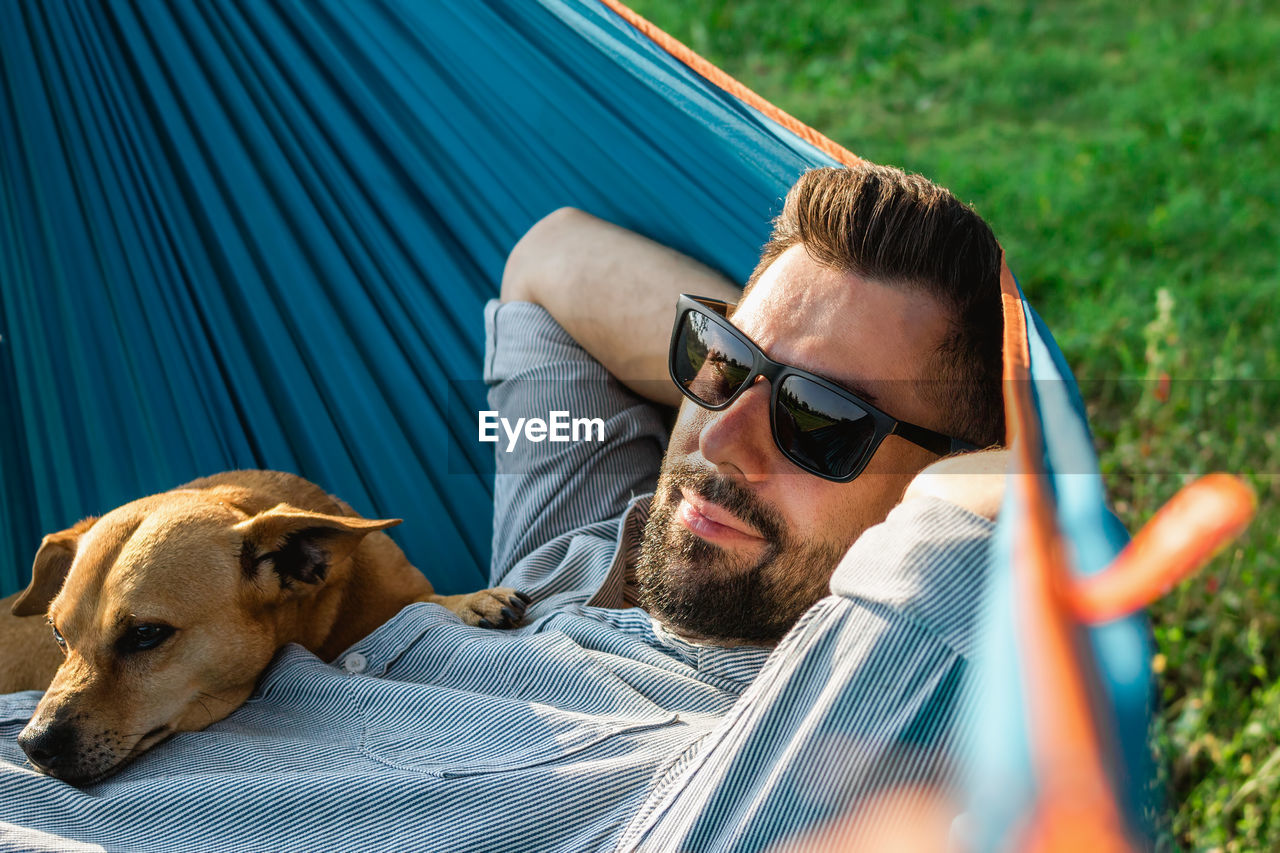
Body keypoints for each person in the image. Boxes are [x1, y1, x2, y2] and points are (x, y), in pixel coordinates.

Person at [0, 164, 1005, 852]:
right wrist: (772, 369)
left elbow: (989, 509)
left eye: (821, 423)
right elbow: (551, 267)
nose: (717, 439)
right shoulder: (565, 569)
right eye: (717, 362)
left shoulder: (768, 755)